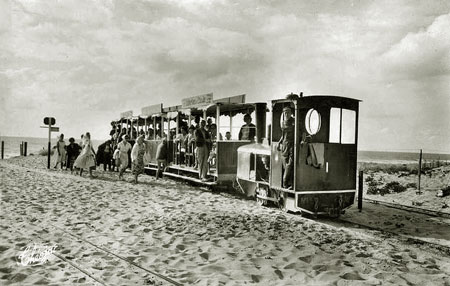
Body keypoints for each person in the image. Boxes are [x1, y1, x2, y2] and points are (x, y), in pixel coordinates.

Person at [277, 106, 295, 189]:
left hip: (292, 145)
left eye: (288, 112)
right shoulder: (283, 123)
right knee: (285, 164)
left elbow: (300, 132)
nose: (286, 114)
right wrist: (279, 142)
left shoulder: (294, 122)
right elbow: (283, 135)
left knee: (290, 164)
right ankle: (288, 184)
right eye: (285, 112)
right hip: (284, 145)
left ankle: (285, 182)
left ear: (291, 113)